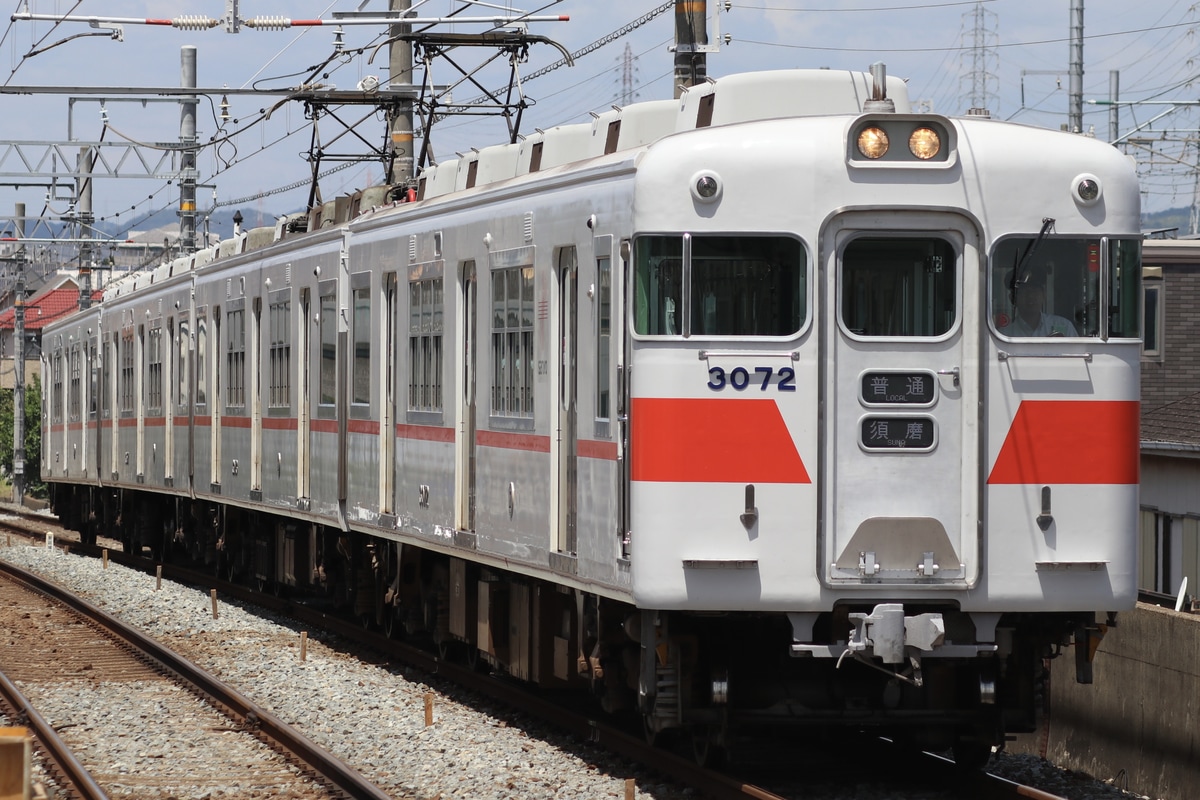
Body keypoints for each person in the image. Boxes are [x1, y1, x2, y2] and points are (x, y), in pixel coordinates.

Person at [1000, 265, 1078, 337]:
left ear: (1044, 295)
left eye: (1035, 290)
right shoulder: (1004, 335)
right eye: (1023, 291)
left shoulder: (1064, 326)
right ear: (1012, 299)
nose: (1030, 296)